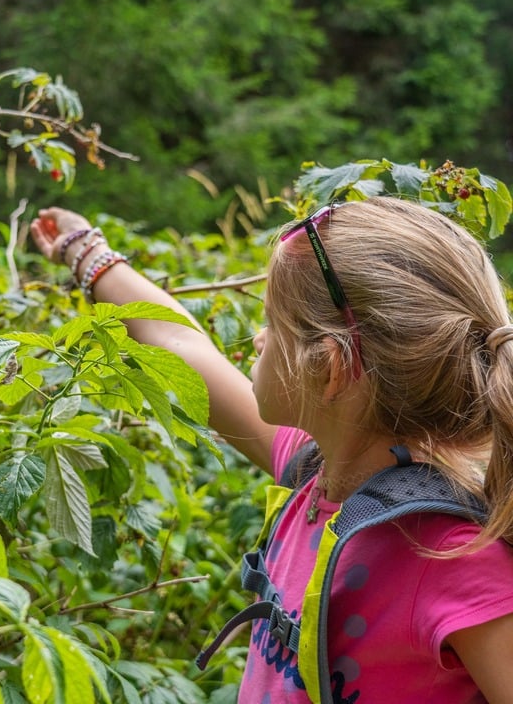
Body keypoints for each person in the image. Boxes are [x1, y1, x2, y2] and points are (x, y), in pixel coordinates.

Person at [30, 197, 513, 704]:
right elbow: (178, 345)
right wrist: (84, 249)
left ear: (327, 367)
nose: (257, 339)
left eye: (272, 322)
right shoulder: (320, 473)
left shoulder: (457, 560)